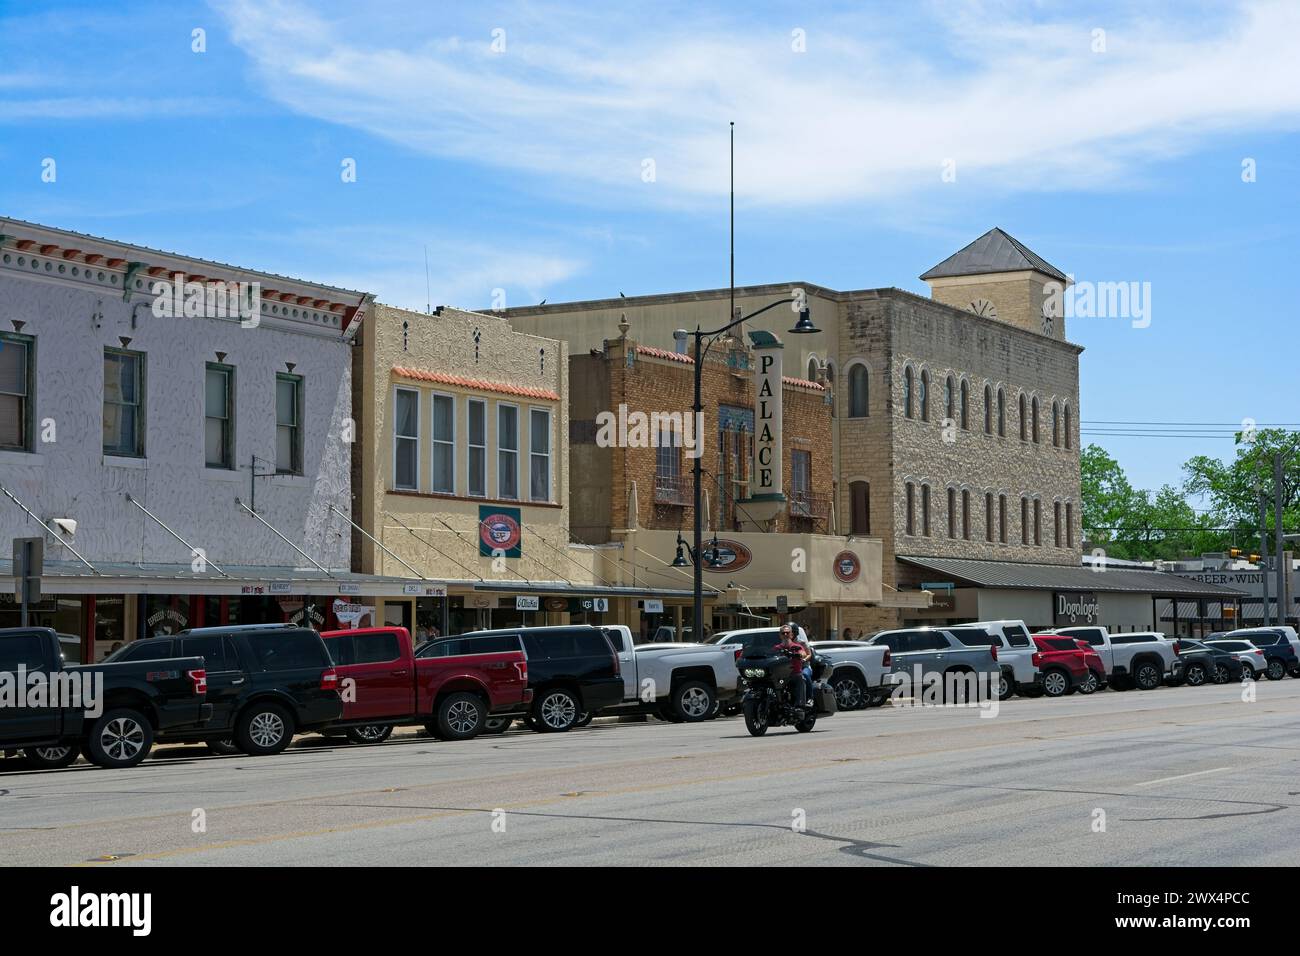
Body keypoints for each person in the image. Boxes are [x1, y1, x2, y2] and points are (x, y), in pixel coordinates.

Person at [774, 624, 810, 709]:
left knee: (801, 678)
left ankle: (800, 705)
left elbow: (803, 652)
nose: (785, 635)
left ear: (791, 635)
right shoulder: (776, 648)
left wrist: (801, 655)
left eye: (787, 633)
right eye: (783, 633)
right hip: (781, 675)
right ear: (780, 635)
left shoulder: (797, 646)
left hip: (794, 674)